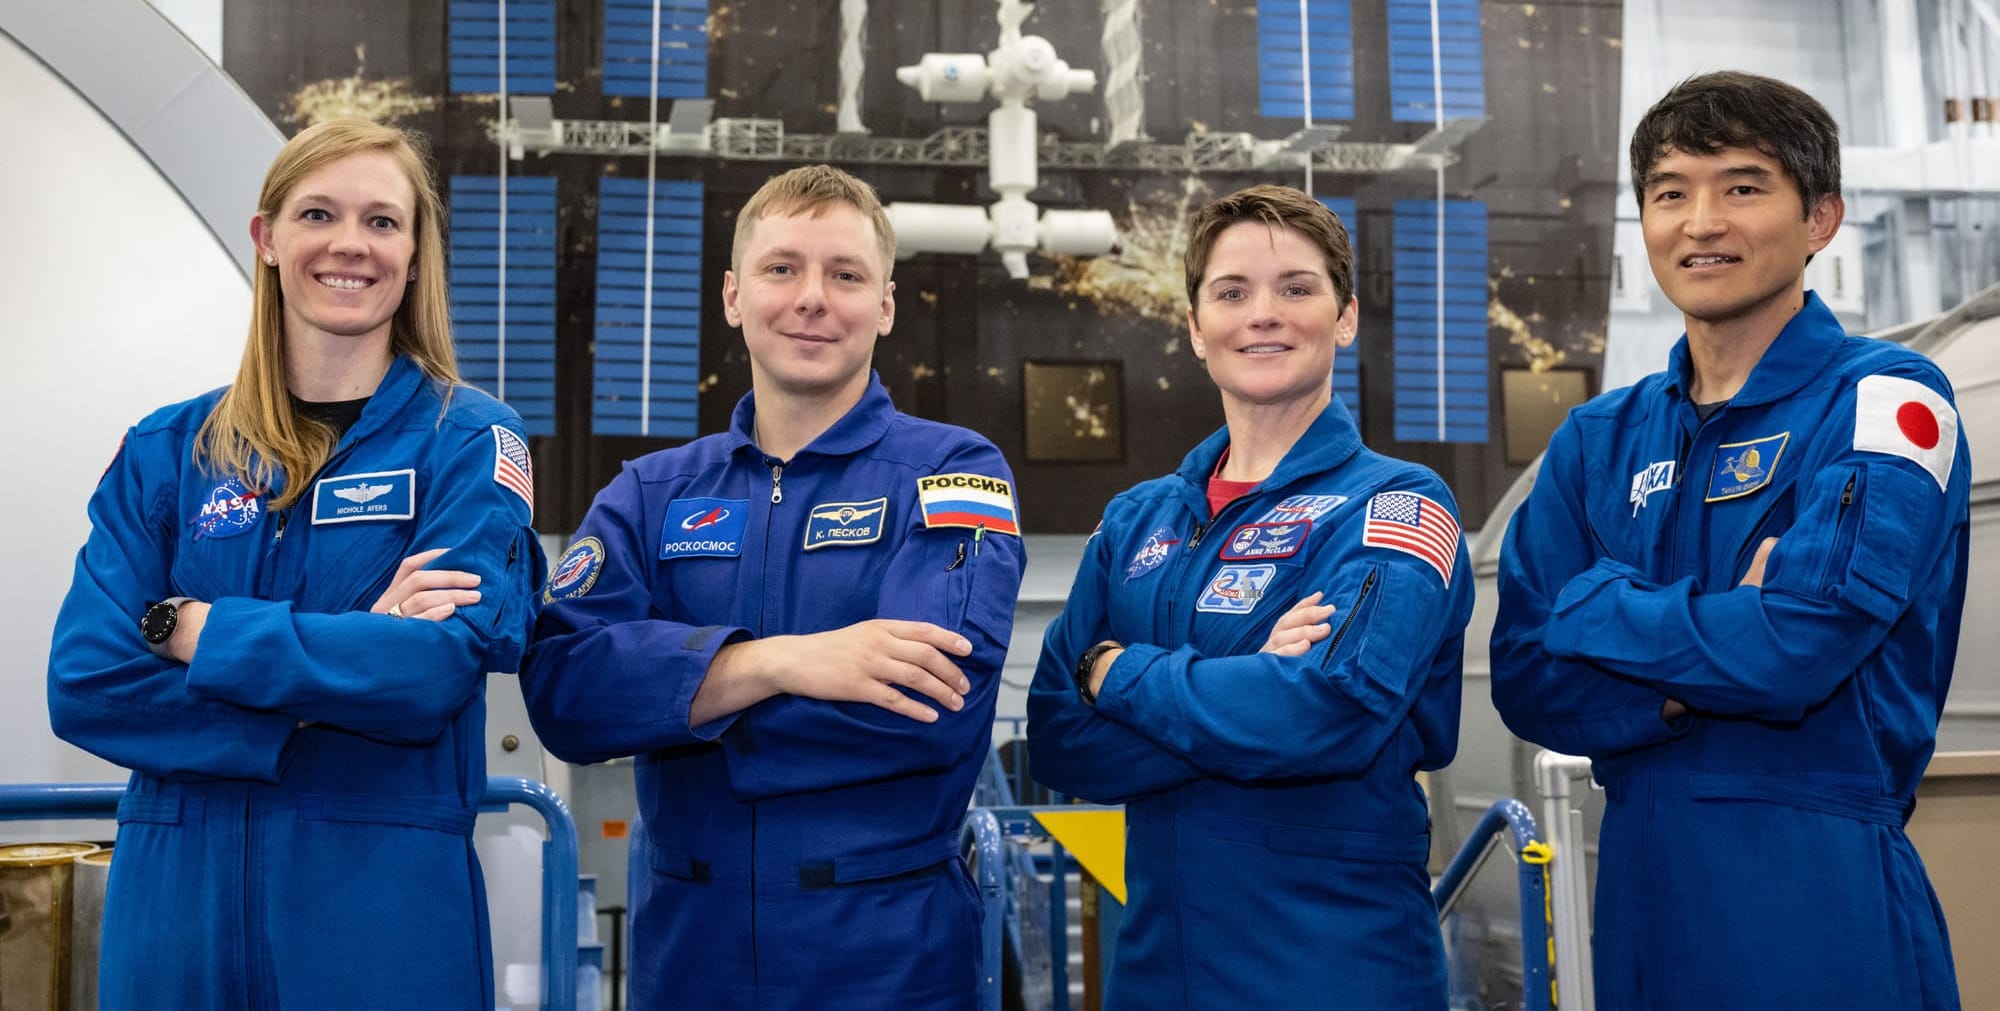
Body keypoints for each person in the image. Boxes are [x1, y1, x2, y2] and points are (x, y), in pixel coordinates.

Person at [1490, 71, 1969, 1009]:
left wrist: (1599, 607)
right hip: (1639, 895)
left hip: (1820, 891)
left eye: (1742, 187)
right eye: (1670, 193)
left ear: (1820, 218)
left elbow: (1797, 648)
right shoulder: (1598, 439)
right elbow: (1525, 676)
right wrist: (1710, 651)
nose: (1701, 221)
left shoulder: (1886, 400)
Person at [46, 118, 544, 1008]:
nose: (350, 244)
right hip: (172, 922)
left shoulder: (467, 443)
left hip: (375, 918)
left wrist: (198, 629)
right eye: (318, 213)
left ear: (417, 253)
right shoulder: (170, 451)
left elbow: (426, 675)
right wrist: (332, 676)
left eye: (383, 222)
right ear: (268, 238)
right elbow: (85, 680)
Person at [520, 164, 1026, 1010]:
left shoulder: (952, 472)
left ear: (886, 305)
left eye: (846, 274)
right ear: (732, 294)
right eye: (782, 267)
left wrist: (678, 701)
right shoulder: (650, 494)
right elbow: (566, 693)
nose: (812, 298)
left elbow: (930, 706)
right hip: (688, 955)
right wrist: (781, 664)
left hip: (887, 953)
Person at [1027, 185, 1473, 1009]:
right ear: (1196, 329)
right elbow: (1056, 735)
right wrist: (1245, 681)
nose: (1262, 314)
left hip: (1333, 970)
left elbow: (1326, 717)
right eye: (1231, 293)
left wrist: (1117, 675)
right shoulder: (1138, 521)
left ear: (1344, 317)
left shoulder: (1399, 507)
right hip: (1159, 971)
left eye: (1296, 288)